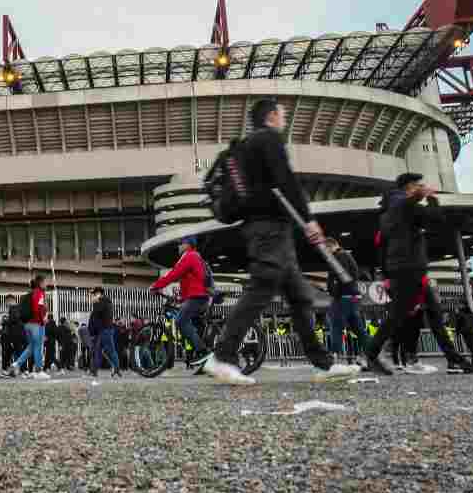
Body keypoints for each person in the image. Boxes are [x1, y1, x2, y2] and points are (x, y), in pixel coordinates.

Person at [208, 100, 360, 384]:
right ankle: (223, 357)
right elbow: (286, 180)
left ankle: (323, 364)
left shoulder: (246, 147)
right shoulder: (268, 139)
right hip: (269, 230)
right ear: (271, 116)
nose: (284, 119)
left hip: (272, 229)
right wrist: (309, 218)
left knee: (300, 297)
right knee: (261, 288)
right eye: (282, 114)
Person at [362, 174, 473, 375]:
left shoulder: (393, 210)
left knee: (431, 313)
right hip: (408, 267)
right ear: (409, 188)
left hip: (407, 268)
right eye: (418, 185)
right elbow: (435, 218)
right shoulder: (399, 205)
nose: (422, 187)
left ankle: (454, 360)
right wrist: (430, 198)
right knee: (399, 315)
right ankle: (371, 354)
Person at [149, 236, 213, 373]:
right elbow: (190, 280)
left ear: (188, 245)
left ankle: (202, 352)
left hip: (197, 297)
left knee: (180, 321)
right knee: (196, 328)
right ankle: (207, 363)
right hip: (198, 296)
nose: (178, 246)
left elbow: (173, 274)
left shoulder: (189, 256)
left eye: (180, 244)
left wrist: (156, 286)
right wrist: (178, 299)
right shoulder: (196, 257)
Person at [324, 237, 366, 365]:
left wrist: (335, 292)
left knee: (335, 325)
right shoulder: (346, 256)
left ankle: (334, 360)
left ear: (331, 246)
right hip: (351, 297)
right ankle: (374, 356)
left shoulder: (339, 256)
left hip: (343, 297)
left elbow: (342, 276)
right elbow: (353, 275)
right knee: (359, 330)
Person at [7, 275, 49, 379]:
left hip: (27, 324)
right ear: (40, 283)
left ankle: (15, 364)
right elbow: (37, 308)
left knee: (31, 347)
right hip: (36, 323)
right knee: (38, 347)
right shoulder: (39, 293)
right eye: (45, 282)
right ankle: (39, 371)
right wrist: (43, 318)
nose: (46, 284)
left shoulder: (30, 294)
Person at [87, 286, 120, 378]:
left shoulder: (100, 302)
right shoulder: (106, 302)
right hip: (106, 330)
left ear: (99, 294)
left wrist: (92, 332)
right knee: (99, 351)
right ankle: (94, 371)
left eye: (93, 294)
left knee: (108, 350)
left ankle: (116, 369)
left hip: (104, 330)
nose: (92, 296)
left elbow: (94, 318)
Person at [0, 296, 21, 373]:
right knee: (12, 353)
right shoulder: (16, 309)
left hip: (13, 335)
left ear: (10, 301)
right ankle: (11, 369)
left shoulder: (14, 309)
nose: (6, 305)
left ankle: (8, 369)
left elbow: (13, 320)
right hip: (14, 335)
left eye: (6, 303)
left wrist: (5, 321)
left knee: (10, 353)